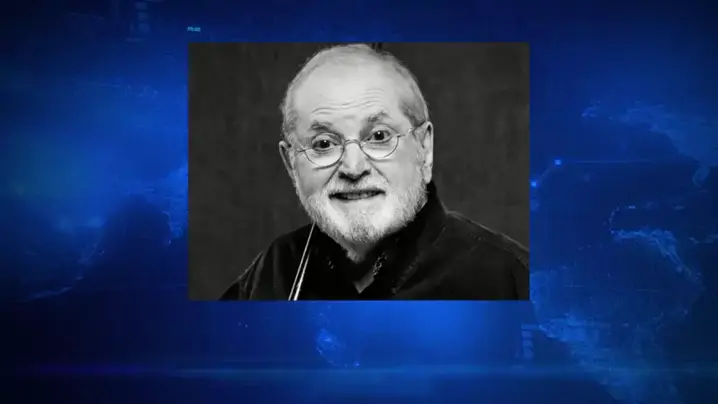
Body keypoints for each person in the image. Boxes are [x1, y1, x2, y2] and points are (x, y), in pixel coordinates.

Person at [221, 44, 529, 300]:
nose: (353, 168)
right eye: (324, 143)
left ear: (424, 148)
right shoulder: (272, 274)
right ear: (291, 164)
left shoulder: (510, 280)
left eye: (379, 136)